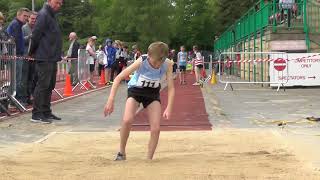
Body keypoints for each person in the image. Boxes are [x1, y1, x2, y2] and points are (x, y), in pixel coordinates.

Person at [104, 42, 175, 161]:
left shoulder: (167, 64)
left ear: (163, 59)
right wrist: (111, 100)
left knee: (156, 128)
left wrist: (169, 107)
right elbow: (118, 78)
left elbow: (171, 88)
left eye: (158, 62)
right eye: (153, 62)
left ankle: (149, 159)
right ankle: (122, 152)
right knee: (127, 120)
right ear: (148, 56)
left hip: (152, 94)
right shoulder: (142, 61)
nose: (156, 65)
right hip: (136, 91)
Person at [29, 0, 63, 124]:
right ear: (49, 1)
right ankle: (37, 114)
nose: (58, 5)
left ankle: (46, 111)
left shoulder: (51, 16)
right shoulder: (43, 14)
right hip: (44, 56)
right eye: (56, 2)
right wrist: (32, 51)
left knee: (49, 85)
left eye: (60, 3)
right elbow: (36, 34)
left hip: (52, 56)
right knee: (42, 85)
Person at [6, 8, 30, 106]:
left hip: (17, 55)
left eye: (27, 16)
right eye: (25, 16)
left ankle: (13, 99)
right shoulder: (16, 25)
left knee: (16, 78)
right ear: (18, 15)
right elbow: (13, 41)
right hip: (15, 55)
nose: (27, 18)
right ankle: (13, 100)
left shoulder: (18, 25)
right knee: (16, 79)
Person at [22, 11, 38, 105]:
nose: (34, 21)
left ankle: (30, 96)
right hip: (25, 56)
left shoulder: (37, 28)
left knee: (32, 78)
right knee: (25, 78)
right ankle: (24, 97)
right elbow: (20, 40)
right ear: (28, 18)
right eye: (32, 18)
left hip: (34, 57)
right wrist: (30, 37)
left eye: (35, 19)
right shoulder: (24, 28)